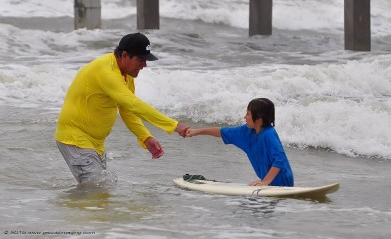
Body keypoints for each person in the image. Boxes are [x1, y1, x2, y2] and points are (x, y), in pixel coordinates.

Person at [55, 32, 189, 184]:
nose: (144, 65)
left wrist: (144, 137)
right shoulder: (107, 73)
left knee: (98, 192)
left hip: (95, 143)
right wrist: (174, 125)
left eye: (145, 60)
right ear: (125, 55)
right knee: (98, 189)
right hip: (75, 139)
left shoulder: (126, 74)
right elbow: (134, 104)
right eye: (141, 59)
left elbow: (127, 109)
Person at [186, 98, 294, 187]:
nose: (244, 117)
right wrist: (197, 131)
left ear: (259, 119)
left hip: (284, 184)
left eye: (247, 114)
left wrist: (265, 181)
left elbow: (279, 159)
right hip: (268, 185)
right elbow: (222, 131)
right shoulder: (246, 132)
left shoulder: (269, 134)